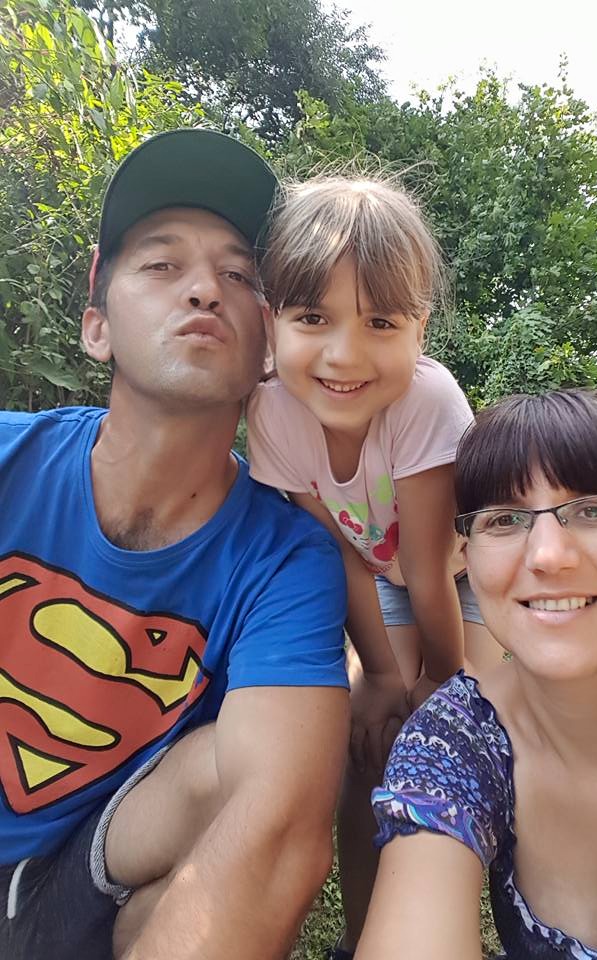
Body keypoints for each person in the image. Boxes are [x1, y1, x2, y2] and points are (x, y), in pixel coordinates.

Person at [0, 128, 350, 960]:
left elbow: (280, 833)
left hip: (74, 881)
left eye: (241, 276)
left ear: (271, 349)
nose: (203, 290)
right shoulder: (9, 459)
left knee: (238, 768)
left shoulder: (286, 560)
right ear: (96, 325)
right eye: (161, 265)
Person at [357, 388, 597, 960]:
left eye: (594, 510)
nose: (549, 555)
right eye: (505, 520)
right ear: (467, 561)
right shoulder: (453, 741)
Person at [246, 174, 505, 958]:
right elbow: (341, 556)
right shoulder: (273, 412)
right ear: (272, 321)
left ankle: (508, 913)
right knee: (367, 743)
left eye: (381, 322)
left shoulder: (427, 403)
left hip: (466, 577)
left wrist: (439, 685)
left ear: (420, 328)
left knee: (477, 733)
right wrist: (386, 678)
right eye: (312, 318)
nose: (344, 354)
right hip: (386, 581)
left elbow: (430, 568)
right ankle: (361, 940)